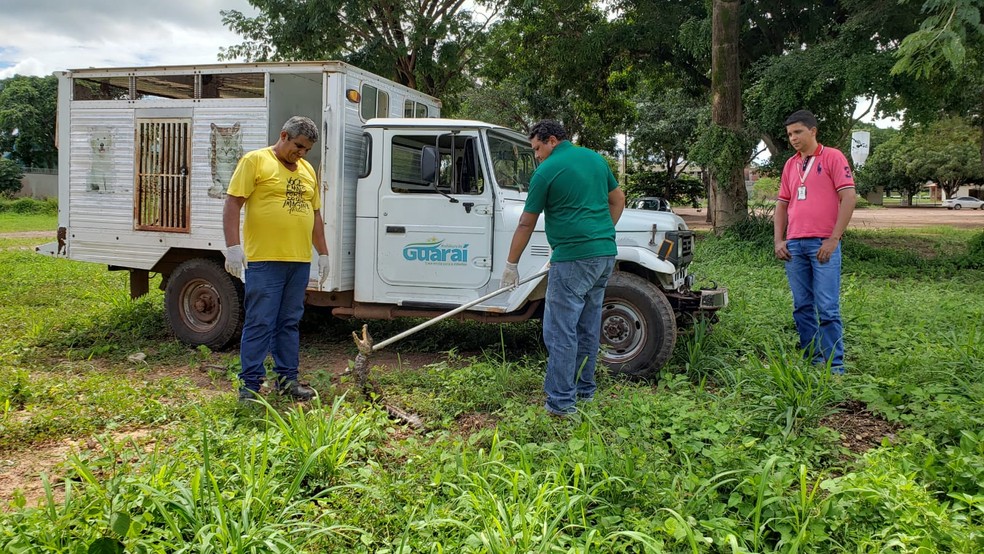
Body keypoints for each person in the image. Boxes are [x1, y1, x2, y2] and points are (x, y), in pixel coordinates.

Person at [501, 120, 625, 416]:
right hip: (604, 255)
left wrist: (511, 264)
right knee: (587, 326)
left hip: (573, 259)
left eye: (537, 148)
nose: (536, 156)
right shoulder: (595, 159)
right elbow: (618, 200)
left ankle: (561, 403)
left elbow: (526, 222)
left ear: (552, 140)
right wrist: (599, 234)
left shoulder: (546, 172)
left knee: (560, 331)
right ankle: (585, 392)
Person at [223, 116, 330, 403]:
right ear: (283, 135)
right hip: (265, 261)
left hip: (298, 261)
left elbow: (315, 214)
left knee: (289, 322)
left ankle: (287, 381)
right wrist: (233, 246)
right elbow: (233, 202)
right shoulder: (255, 161)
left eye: (307, 149)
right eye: (298, 146)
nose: (302, 153)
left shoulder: (307, 170)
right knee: (260, 322)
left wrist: (324, 253)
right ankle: (250, 387)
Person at [774, 110, 856, 374]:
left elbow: (849, 197)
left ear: (813, 131)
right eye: (789, 134)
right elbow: (782, 204)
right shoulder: (790, 164)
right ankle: (812, 358)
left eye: (798, 132)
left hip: (823, 243)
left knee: (827, 306)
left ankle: (835, 366)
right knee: (802, 306)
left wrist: (834, 238)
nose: (793, 138)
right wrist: (779, 240)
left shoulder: (832, 157)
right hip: (795, 245)